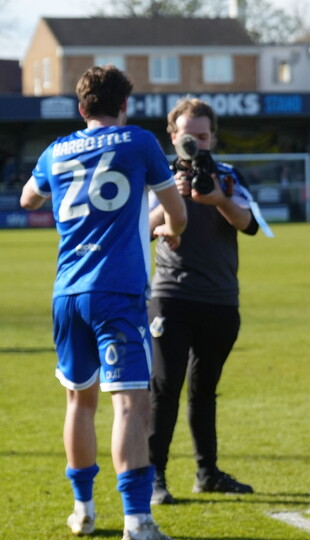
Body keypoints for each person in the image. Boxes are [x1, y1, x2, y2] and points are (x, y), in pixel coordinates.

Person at [20, 65, 186, 540]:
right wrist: (171, 230)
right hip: (117, 290)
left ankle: (84, 510)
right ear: (124, 105)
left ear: (81, 108)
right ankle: (137, 520)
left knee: (79, 400)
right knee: (131, 402)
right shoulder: (138, 142)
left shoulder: (55, 150)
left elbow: (28, 199)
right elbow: (175, 212)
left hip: (67, 292)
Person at [147, 98, 268, 505]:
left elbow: (250, 224)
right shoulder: (158, 176)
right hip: (171, 297)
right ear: (172, 136)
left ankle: (207, 473)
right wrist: (173, 203)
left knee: (205, 390)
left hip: (220, 299)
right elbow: (139, 228)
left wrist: (218, 199)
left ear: (212, 137)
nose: (195, 143)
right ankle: (154, 478)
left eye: (202, 136)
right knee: (165, 387)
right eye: (188, 136)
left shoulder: (228, 176)